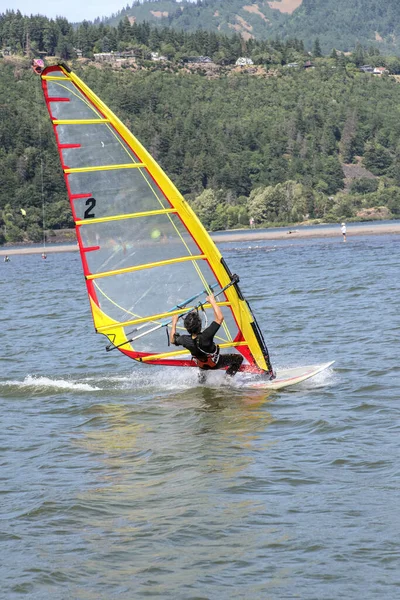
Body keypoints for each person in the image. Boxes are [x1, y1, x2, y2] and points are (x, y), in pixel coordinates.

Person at [170, 293, 243, 381]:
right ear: (200, 325)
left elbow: (172, 340)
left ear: (187, 328)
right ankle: (226, 380)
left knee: (202, 365)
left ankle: (202, 381)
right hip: (215, 363)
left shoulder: (184, 340)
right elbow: (219, 318)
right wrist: (212, 301)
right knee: (239, 358)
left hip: (202, 365)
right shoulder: (206, 335)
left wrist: (174, 322)